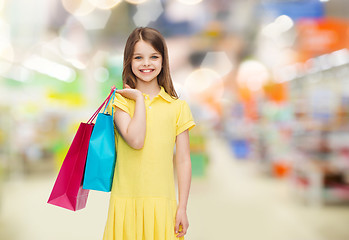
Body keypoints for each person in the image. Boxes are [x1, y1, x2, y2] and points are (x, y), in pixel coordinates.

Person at [103, 27, 195, 240]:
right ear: (129, 61)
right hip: (126, 201)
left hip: (163, 204)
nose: (146, 63)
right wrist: (138, 99)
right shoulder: (120, 103)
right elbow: (136, 140)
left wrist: (182, 207)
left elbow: (183, 160)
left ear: (163, 61)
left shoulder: (178, 107)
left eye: (154, 56)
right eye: (138, 57)